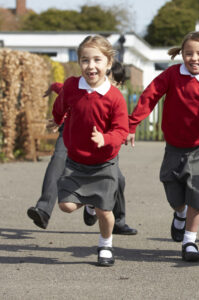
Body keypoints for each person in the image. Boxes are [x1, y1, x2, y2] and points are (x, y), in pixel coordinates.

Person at [126, 31, 199, 262]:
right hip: (174, 146)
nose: (194, 58)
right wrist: (132, 124)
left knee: (197, 193)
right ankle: (179, 214)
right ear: (182, 54)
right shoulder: (172, 74)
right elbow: (149, 96)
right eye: (189, 53)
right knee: (173, 192)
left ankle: (190, 242)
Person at [26, 62, 137, 236]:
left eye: (111, 80)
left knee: (119, 179)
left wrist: (122, 134)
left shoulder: (113, 98)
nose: (105, 81)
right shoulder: (80, 87)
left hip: (100, 146)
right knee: (58, 161)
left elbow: (121, 126)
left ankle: (117, 220)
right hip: (72, 135)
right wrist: (52, 90)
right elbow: (61, 89)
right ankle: (43, 209)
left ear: (119, 84)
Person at [51, 35, 129, 267]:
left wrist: (104, 138)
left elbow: (121, 130)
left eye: (97, 60)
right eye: (85, 60)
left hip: (104, 163)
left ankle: (105, 244)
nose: (91, 66)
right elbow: (61, 104)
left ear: (108, 63)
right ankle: (90, 204)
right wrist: (57, 119)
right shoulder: (72, 86)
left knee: (105, 211)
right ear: (79, 62)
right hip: (75, 162)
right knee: (65, 206)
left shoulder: (114, 97)